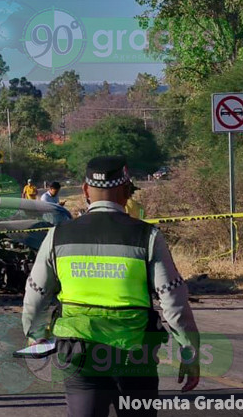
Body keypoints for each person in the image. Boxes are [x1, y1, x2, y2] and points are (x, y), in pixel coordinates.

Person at [22, 155, 200, 417]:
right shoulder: (148, 236)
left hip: (80, 355)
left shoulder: (57, 236)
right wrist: (189, 350)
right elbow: (172, 299)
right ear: (126, 192)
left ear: (85, 190)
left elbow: (36, 294)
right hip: (135, 356)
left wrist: (35, 335)